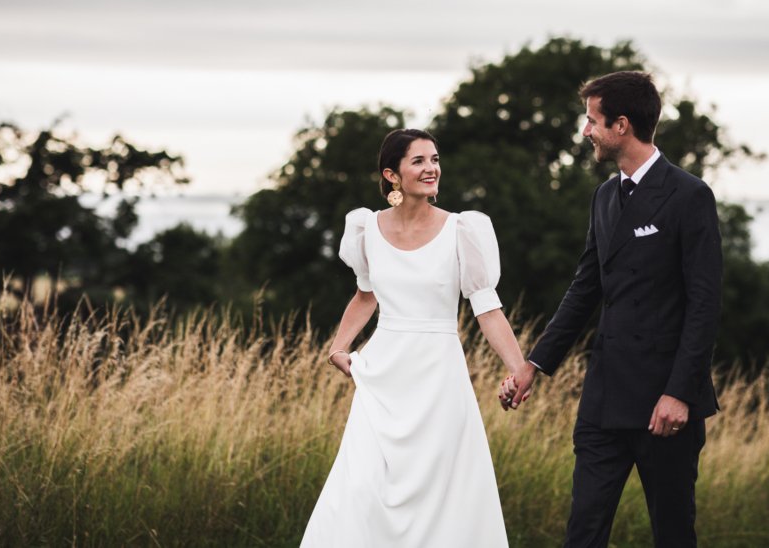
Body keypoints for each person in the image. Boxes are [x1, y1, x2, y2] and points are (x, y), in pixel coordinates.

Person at [500, 71, 722, 548]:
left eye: (591, 121)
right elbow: (584, 290)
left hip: (666, 402)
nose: (586, 132)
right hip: (604, 399)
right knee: (583, 530)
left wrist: (680, 393)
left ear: (621, 125)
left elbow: (704, 305)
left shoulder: (689, 196)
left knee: (673, 533)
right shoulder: (604, 196)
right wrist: (532, 365)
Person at [300, 128, 524, 548]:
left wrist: (520, 371)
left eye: (435, 159)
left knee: (442, 496)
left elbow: (488, 310)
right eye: (419, 161)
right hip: (382, 376)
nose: (431, 168)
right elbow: (365, 295)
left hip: (439, 377)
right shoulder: (366, 228)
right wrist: (338, 348)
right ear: (392, 175)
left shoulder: (463, 231)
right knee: (363, 486)